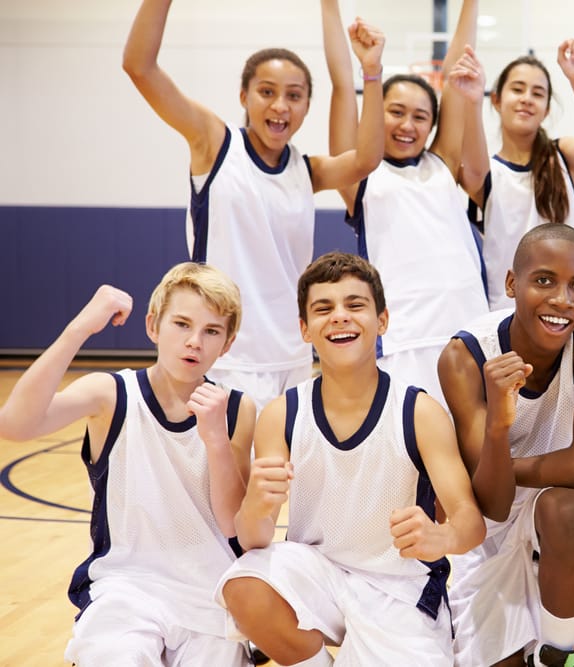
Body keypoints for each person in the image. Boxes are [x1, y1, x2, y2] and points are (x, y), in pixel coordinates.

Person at [217, 252, 485, 667]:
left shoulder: (419, 412)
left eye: (355, 305)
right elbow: (252, 539)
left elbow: (470, 521)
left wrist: (443, 538)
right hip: (317, 573)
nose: (339, 316)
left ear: (382, 321)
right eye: (323, 309)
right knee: (244, 585)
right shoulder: (282, 414)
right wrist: (256, 505)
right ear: (305, 329)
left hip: (399, 587)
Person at [124, 0, 387, 409]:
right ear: (244, 95)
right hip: (223, 354)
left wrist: (372, 73)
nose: (280, 105)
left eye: (294, 96)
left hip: (291, 357)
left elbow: (366, 159)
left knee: (280, 471)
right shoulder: (214, 143)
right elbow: (140, 67)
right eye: (267, 92)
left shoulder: (306, 169)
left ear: (305, 107)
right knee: (223, 471)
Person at [0, 263, 255, 666]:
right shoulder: (111, 394)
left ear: (227, 343)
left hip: (210, 593)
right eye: (182, 324)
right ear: (153, 325)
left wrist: (217, 442)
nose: (194, 342)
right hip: (126, 589)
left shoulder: (237, 409)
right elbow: (14, 424)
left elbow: (233, 523)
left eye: (211, 331)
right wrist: (80, 328)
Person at [438, 224, 574, 667]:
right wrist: (497, 426)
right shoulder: (465, 357)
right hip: (489, 525)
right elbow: (494, 505)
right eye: (544, 281)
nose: (562, 300)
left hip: (559, 503)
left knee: (569, 511)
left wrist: (496, 463)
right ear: (512, 284)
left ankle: (558, 655)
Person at [323, 0, 489, 404]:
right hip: (404, 339)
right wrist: (329, 8)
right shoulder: (360, 174)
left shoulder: (441, 164)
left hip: (467, 331)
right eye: (395, 112)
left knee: (473, 452)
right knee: (415, 452)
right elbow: (343, 85)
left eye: (421, 117)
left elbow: (455, 72)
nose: (408, 125)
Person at [458, 0, 574, 310]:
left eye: (537, 93)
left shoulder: (562, 155)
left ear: (547, 107)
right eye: (517, 89)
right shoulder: (488, 172)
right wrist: (471, 101)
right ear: (495, 99)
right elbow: (472, 167)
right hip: (506, 315)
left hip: (566, 309)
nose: (526, 99)